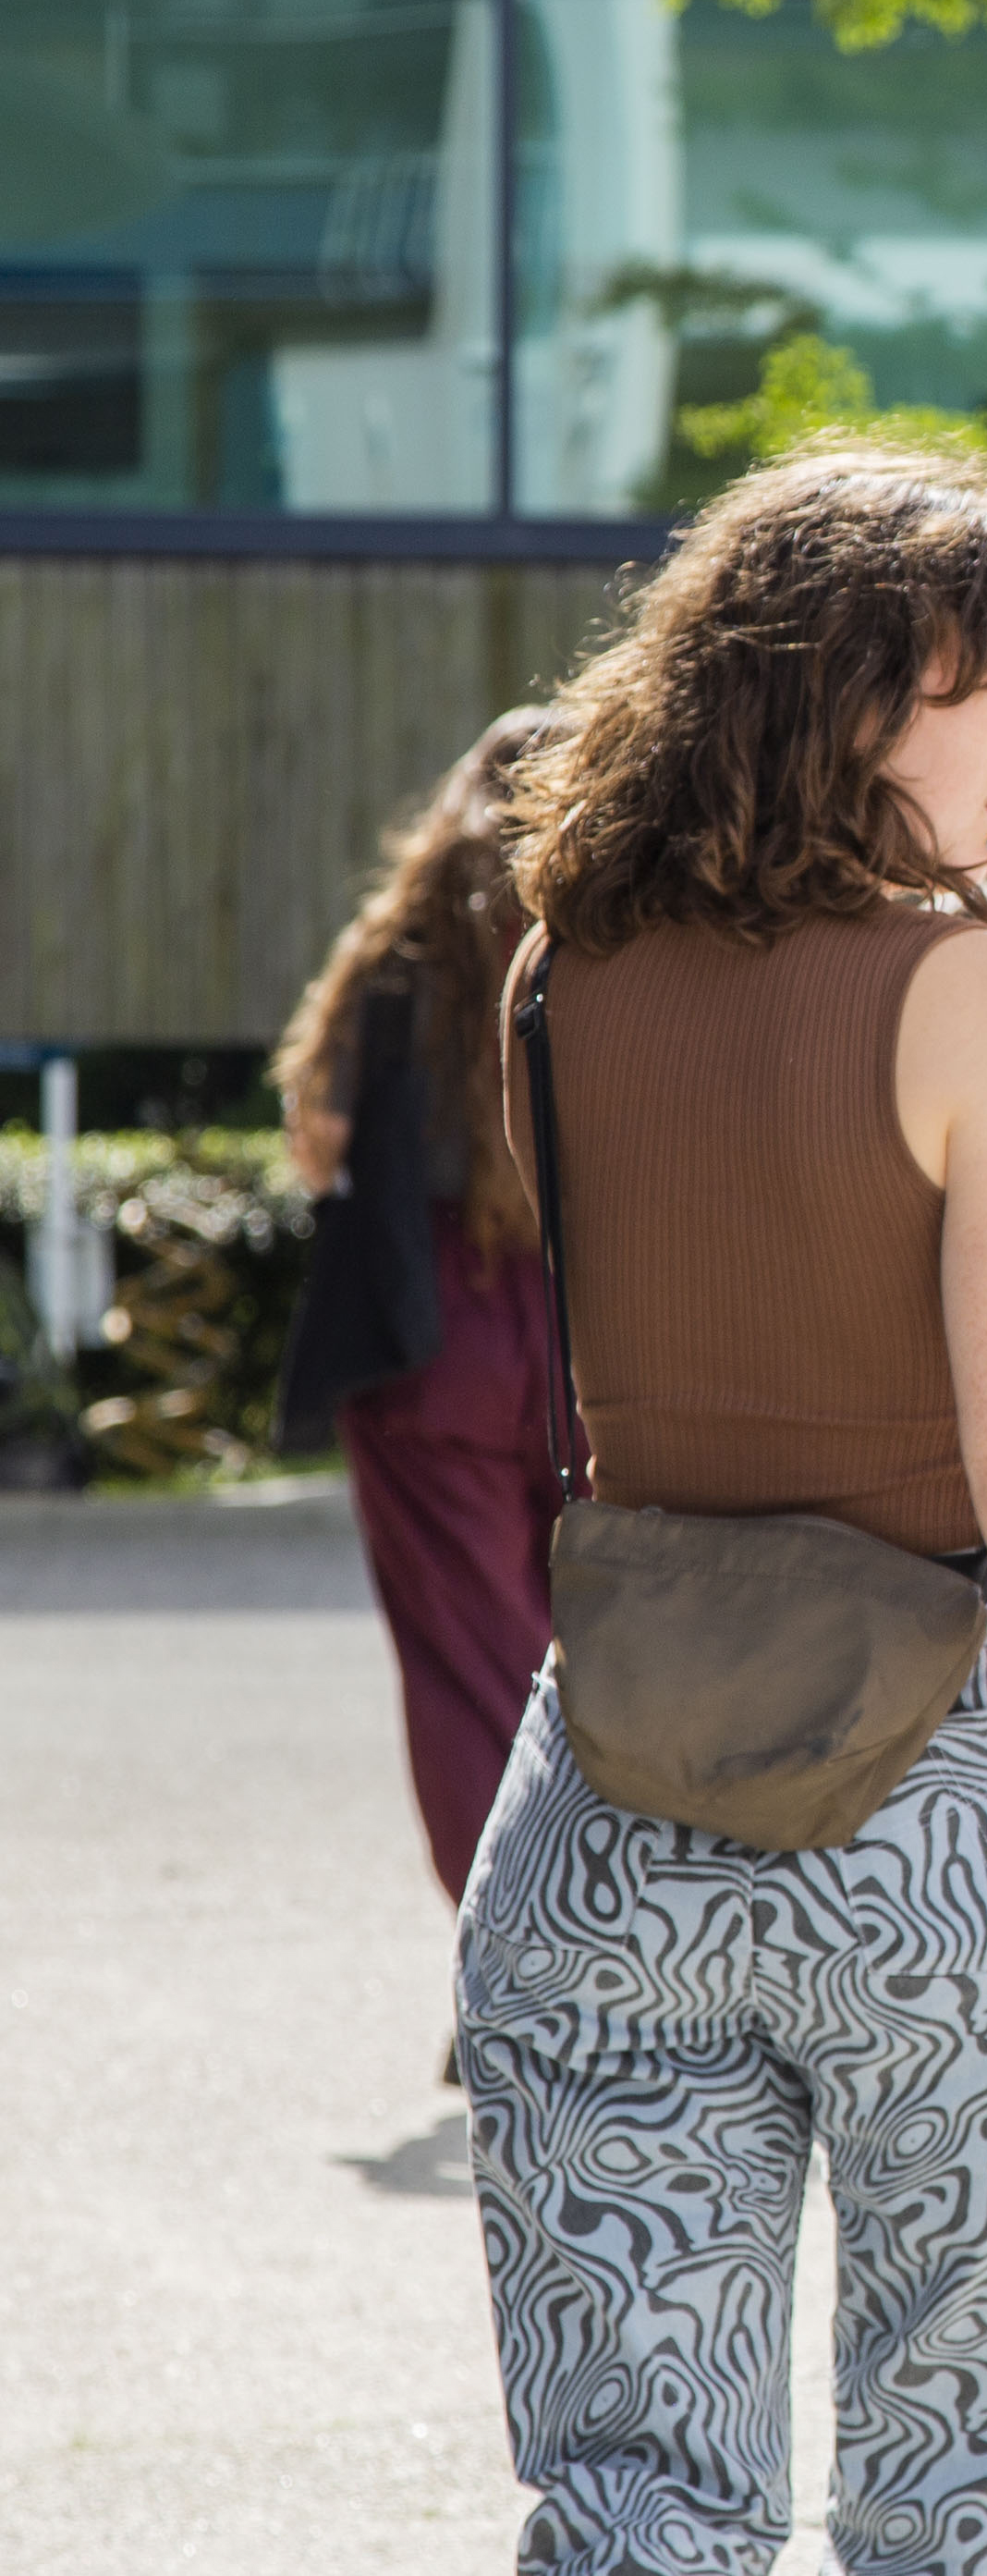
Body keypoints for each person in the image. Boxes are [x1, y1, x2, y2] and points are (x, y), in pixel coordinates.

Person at [457, 439, 987, 2571]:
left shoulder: (559, 969)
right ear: (852, 685)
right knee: (969, 2472)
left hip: (609, 1798)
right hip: (931, 1821)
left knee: (633, 2494)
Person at [273, 707, 560, 1919]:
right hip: (580, 1320)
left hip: (424, 1316)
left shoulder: (394, 951)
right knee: (597, 1636)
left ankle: (509, 1947)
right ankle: (622, 1939)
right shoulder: (597, 936)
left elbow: (317, 1138)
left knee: (463, 1654)